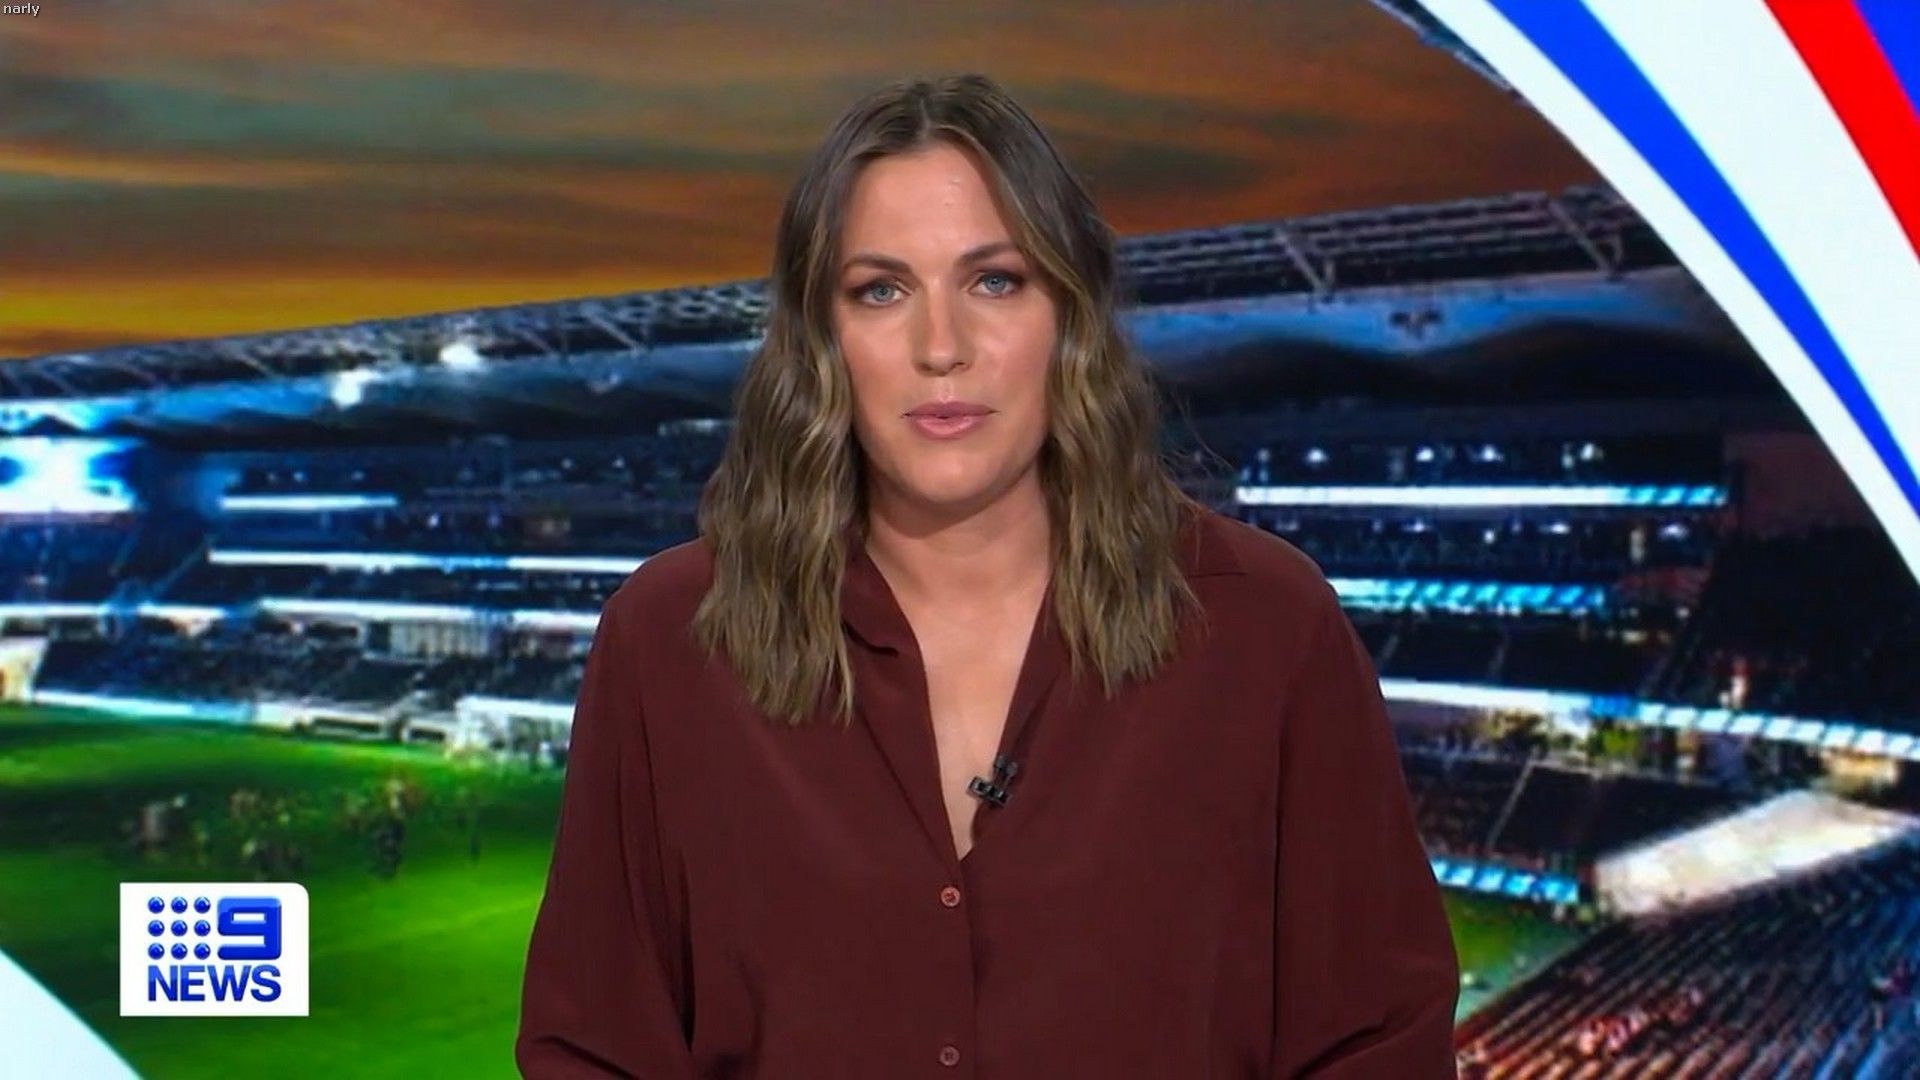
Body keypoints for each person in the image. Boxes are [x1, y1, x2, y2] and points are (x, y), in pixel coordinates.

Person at [516, 72, 1458, 1078]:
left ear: (1071, 316)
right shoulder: (671, 637)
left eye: (996, 281)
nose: (942, 348)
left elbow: (1378, 1043)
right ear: (822, 338)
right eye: (881, 291)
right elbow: (594, 1048)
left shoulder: (1267, 626)